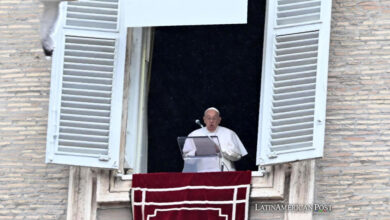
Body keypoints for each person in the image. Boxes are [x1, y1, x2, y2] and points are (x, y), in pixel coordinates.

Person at [183, 107, 247, 171]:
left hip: (225, 173)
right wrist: (196, 152)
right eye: (208, 118)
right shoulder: (194, 134)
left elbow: (237, 156)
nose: (211, 121)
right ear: (204, 119)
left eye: (214, 118)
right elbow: (186, 159)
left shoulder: (229, 133)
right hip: (202, 174)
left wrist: (220, 150)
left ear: (219, 120)